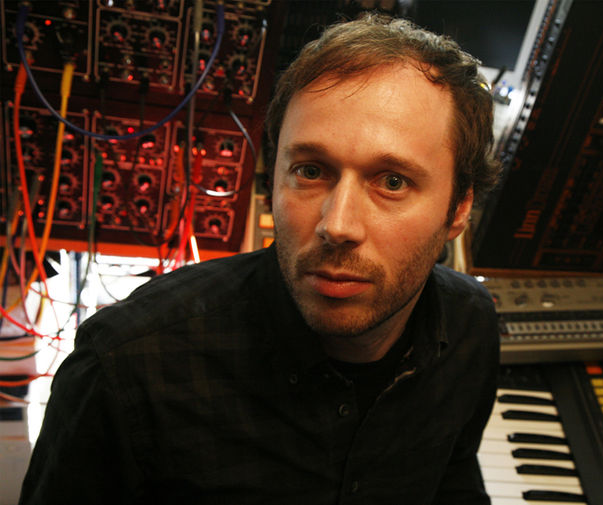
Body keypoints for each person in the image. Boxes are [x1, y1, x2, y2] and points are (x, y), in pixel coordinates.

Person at [20, 13, 501, 505]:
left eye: (392, 182)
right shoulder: (123, 368)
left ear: (459, 208)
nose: (337, 225)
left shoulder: (470, 326)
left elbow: (453, 478)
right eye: (310, 171)